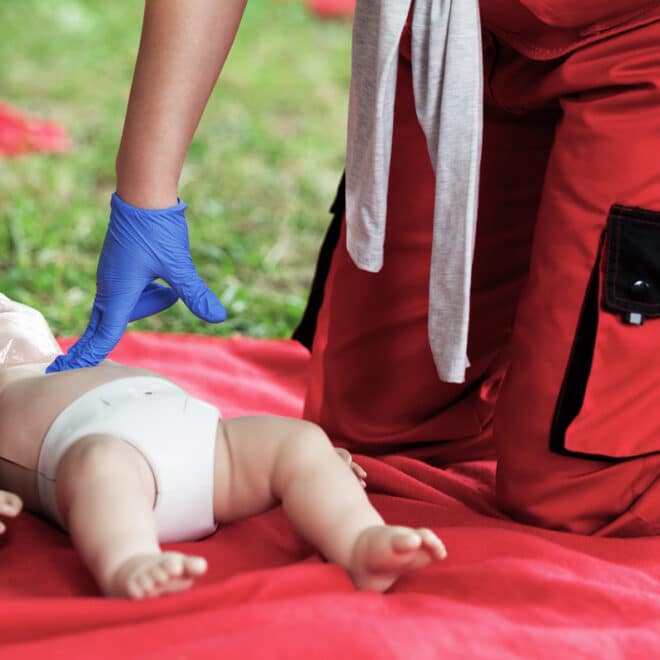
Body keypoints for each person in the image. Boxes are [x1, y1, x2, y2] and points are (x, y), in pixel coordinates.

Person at [48, 1, 660, 537]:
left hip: (638, 40)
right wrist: (145, 198)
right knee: (383, 435)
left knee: (585, 492)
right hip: (456, 31)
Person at [0, 294, 446, 599]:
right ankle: (128, 560)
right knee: (101, 467)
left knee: (300, 442)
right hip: (100, 452)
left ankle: (358, 538)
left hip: (206, 442)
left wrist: (320, 469)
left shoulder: (68, 357)